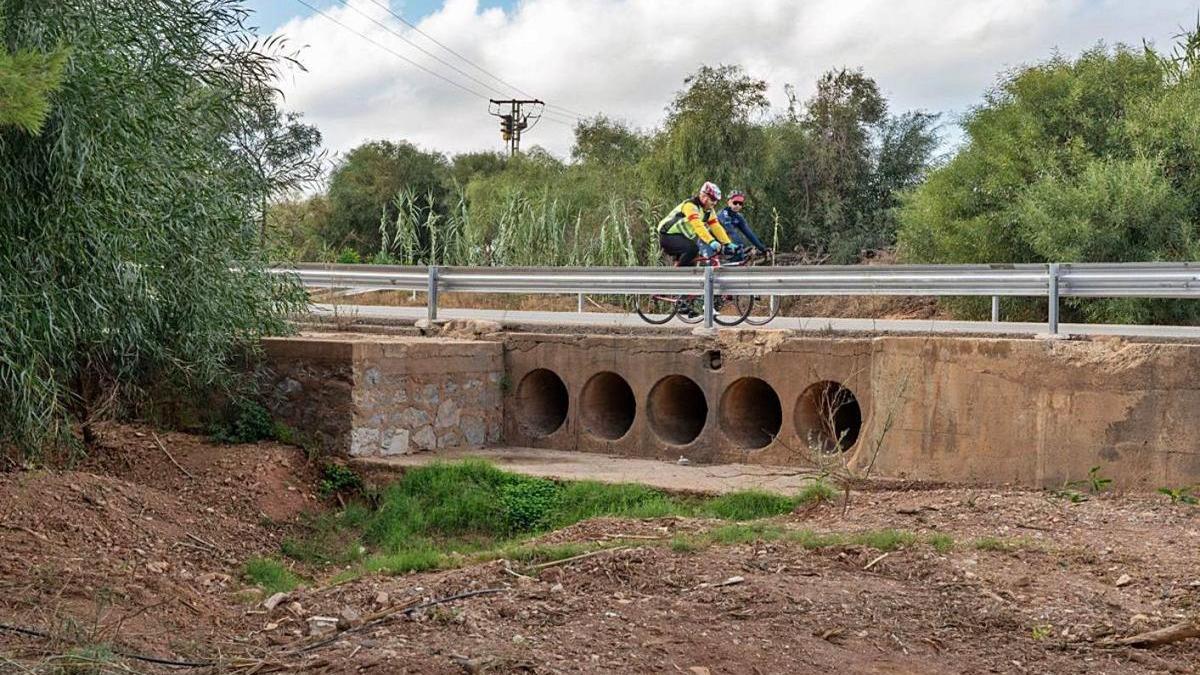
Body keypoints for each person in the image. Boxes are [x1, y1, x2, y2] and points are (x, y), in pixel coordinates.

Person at [656, 181, 734, 266]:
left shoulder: (709, 211)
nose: (715, 203)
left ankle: (686, 277)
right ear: (704, 197)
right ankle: (677, 275)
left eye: (716, 200)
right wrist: (711, 241)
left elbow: (716, 227)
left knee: (692, 262)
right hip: (667, 235)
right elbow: (698, 226)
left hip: (682, 237)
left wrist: (728, 243)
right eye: (713, 199)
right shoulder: (690, 206)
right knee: (692, 249)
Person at [717, 190, 770, 258]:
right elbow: (731, 232)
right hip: (710, 243)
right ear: (729, 202)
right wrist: (742, 247)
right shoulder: (723, 214)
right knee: (739, 251)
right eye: (735, 202)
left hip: (724, 244)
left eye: (740, 203)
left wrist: (762, 248)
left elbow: (749, 233)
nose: (738, 205)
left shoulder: (738, 217)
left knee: (741, 256)